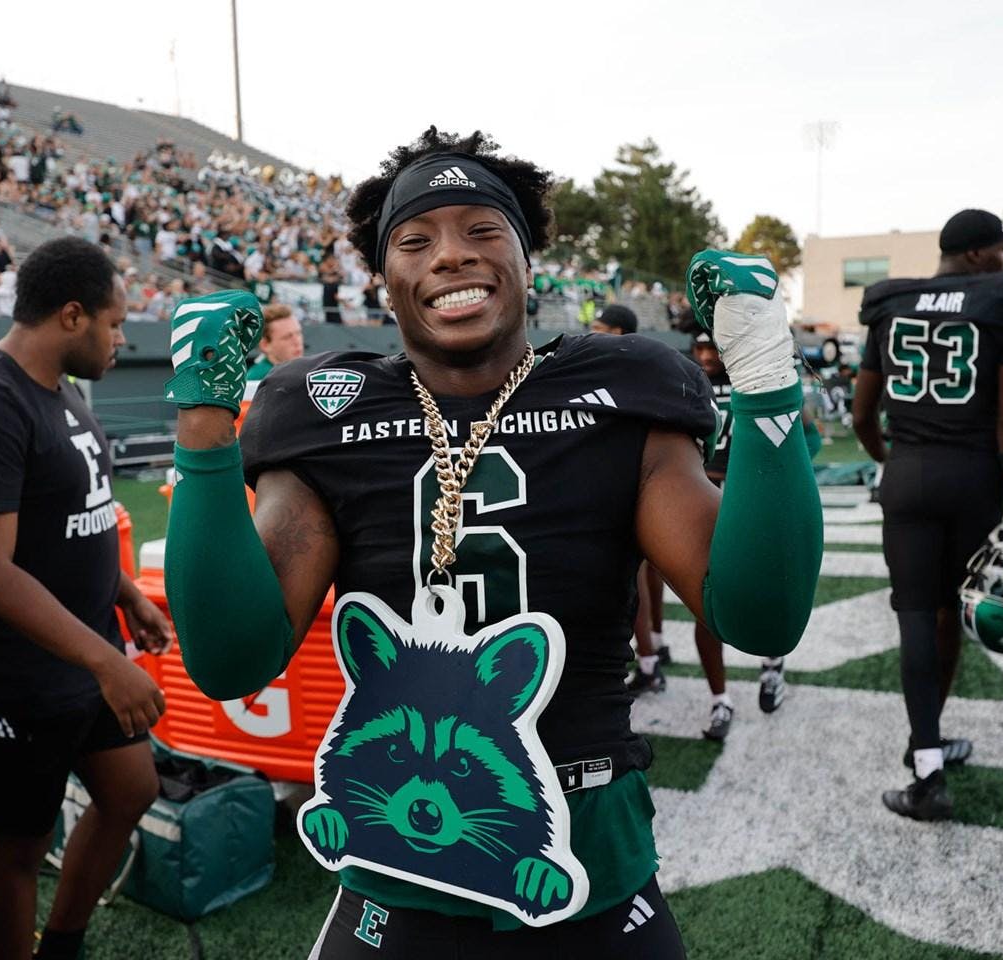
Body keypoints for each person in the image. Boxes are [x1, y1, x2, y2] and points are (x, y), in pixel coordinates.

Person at [162, 127, 821, 956]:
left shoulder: (620, 392)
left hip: (585, 860)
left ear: (526, 257)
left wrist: (765, 383)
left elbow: (763, 617)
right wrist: (203, 425)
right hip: (391, 873)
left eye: (482, 230)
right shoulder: (324, 411)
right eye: (416, 240)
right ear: (383, 279)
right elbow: (231, 659)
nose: (450, 256)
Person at [0, 237, 174, 960]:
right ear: (71, 315)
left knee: (131, 790)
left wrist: (128, 594)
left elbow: (76, 516)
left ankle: (63, 945)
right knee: (20, 842)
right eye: (115, 324)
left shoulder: (58, 393)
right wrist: (107, 663)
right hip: (13, 671)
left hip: (84, 648)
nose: (121, 339)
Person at [852, 209, 1003, 821]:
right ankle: (926, 743)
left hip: (908, 473)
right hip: (974, 477)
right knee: (950, 612)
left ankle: (925, 761)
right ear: (980, 254)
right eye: (1002, 250)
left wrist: (894, 461)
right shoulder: (1002, 303)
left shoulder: (891, 305)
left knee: (912, 616)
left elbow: (860, 416)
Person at [691, 331, 821, 739]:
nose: (707, 355)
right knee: (704, 596)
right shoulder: (686, 379)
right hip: (705, 489)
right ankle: (719, 698)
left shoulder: (757, 374)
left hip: (752, 493)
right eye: (700, 348)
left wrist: (778, 473)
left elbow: (808, 435)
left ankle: (771, 668)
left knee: (769, 587)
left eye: (713, 347)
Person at [585, 303, 672, 693]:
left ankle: (650, 660)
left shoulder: (627, 371)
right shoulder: (634, 368)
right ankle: (656, 646)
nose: (591, 333)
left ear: (618, 333)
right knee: (646, 577)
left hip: (628, 486)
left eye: (599, 328)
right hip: (631, 484)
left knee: (632, 581)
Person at [245, 303, 305, 383]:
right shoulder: (256, 380)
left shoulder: (294, 370)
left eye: (298, 333)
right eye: (287, 337)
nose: (297, 342)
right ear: (265, 345)